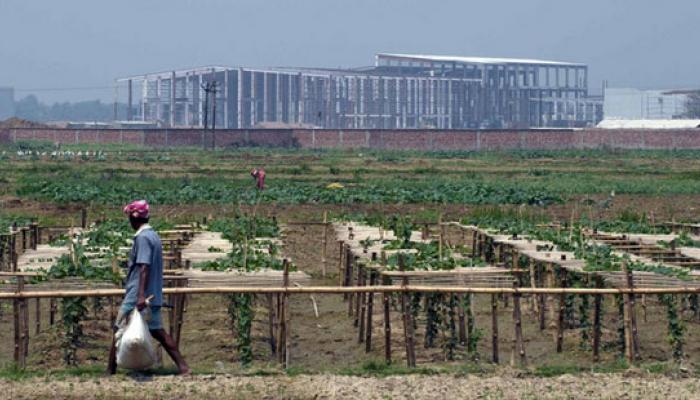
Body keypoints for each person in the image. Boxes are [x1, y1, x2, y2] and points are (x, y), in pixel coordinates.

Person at [107, 200, 190, 375]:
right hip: (152, 292)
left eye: (130, 216)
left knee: (118, 328)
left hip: (138, 292)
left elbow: (144, 266)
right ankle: (183, 367)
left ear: (134, 218)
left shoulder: (143, 238)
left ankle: (110, 370)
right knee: (158, 331)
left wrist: (140, 296)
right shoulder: (153, 235)